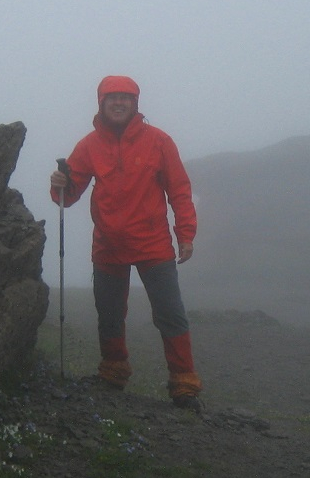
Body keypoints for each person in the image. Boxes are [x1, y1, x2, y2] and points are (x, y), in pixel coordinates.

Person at [50, 75, 202, 410]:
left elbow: (179, 189)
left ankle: (184, 384)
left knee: (170, 314)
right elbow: (67, 196)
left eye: (126, 97)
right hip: (108, 245)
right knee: (109, 314)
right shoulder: (89, 145)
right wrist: (60, 183)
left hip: (153, 244)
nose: (119, 103)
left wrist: (185, 233)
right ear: (101, 103)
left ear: (135, 104)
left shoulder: (159, 141)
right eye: (111, 97)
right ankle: (113, 372)